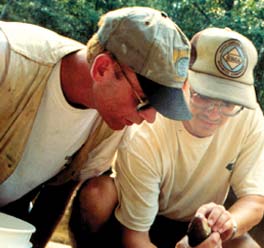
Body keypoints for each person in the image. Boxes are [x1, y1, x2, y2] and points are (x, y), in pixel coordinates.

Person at [0, 6, 191, 248]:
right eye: (143, 101)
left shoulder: (113, 123)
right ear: (102, 69)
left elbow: (59, 192)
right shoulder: (8, 59)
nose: (150, 119)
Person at [73, 27, 264, 248]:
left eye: (228, 103)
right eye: (203, 96)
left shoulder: (250, 118)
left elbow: (255, 201)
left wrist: (228, 225)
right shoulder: (147, 131)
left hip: (198, 225)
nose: (213, 112)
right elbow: (135, 237)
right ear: (183, 81)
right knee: (97, 196)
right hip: (138, 220)